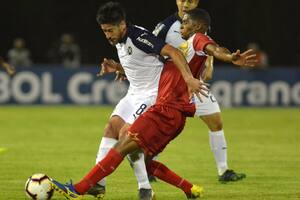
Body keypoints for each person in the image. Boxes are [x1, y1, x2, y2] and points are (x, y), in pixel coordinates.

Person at [49, 7, 257, 200]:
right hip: (167, 110)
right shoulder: (184, 46)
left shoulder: (198, 40)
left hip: (167, 110)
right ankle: (189, 189)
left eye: (185, 24)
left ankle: (79, 189)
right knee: (143, 159)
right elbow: (156, 64)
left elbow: (215, 49)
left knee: (124, 144)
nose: (180, 26)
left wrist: (229, 58)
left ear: (198, 27)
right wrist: (122, 69)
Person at [58, 2, 205, 200]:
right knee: (112, 128)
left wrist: (188, 78)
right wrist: (119, 68)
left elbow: (173, 53)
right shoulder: (120, 40)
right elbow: (143, 63)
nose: (108, 35)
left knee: (128, 136)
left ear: (122, 25)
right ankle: (99, 185)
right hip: (134, 93)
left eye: (110, 30)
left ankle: (144, 189)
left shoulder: (138, 36)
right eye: (104, 31)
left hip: (153, 95)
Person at [153, 0, 246, 182]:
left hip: (195, 85)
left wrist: (211, 63)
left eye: (191, 0)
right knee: (163, 129)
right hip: (171, 86)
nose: (186, 4)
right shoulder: (165, 27)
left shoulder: (198, 23)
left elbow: (208, 45)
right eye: (183, 0)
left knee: (215, 122)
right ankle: (148, 164)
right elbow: (151, 49)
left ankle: (224, 170)